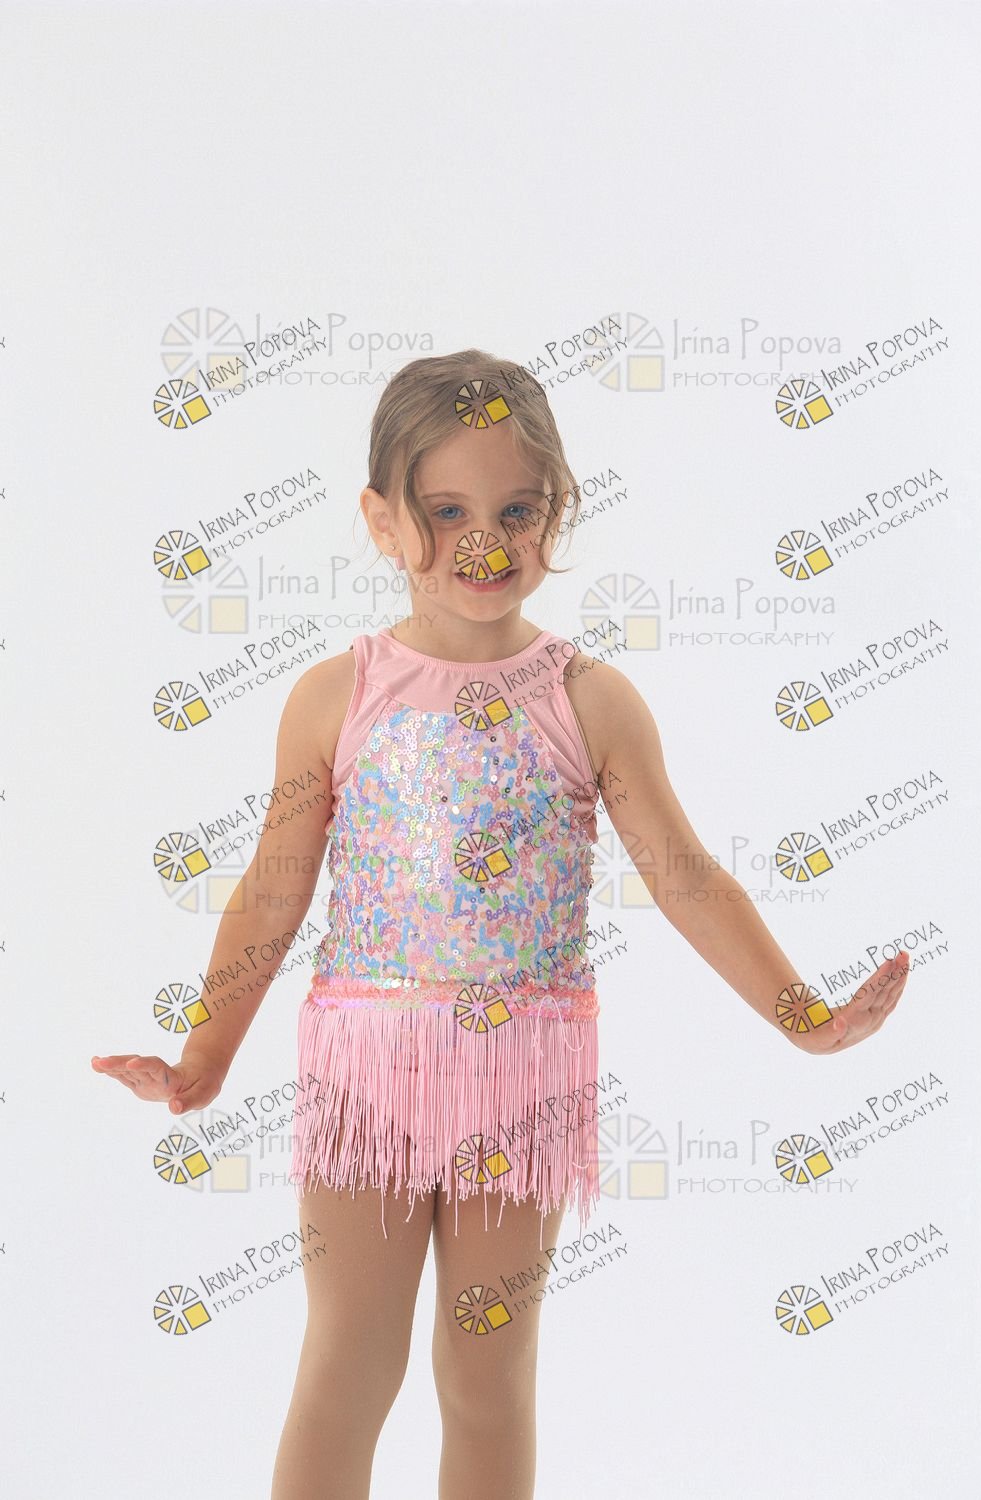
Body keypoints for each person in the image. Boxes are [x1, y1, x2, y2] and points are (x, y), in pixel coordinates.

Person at [92, 349, 910, 1500]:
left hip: (521, 1082)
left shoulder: (589, 701)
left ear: (556, 515)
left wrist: (800, 1016)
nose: (484, 544)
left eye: (516, 512)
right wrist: (205, 1057)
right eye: (446, 513)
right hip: (366, 1078)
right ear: (382, 522)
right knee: (348, 1364)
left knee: (487, 1375)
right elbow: (274, 886)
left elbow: (683, 876)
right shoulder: (335, 697)